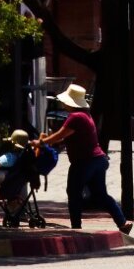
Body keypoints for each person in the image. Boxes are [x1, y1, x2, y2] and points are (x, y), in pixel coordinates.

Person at [40, 81, 126, 233]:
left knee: (73, 192)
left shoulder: (75, 117)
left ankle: (76, 227)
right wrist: (53, 142)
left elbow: (59, 135)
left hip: (84, 162)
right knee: (101, 195)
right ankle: (122, 222)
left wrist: (41, 142)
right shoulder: (86, 116)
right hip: (99, 160)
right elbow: (66, 138)